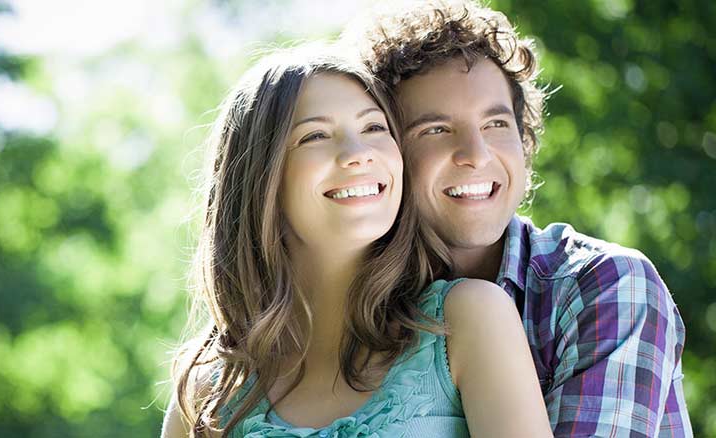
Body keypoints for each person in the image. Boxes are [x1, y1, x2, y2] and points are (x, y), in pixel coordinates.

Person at [160, 44, 552, 437]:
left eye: (373, 128)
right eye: (315, 135)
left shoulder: (467, 320)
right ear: (260, 179)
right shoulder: (207, 391)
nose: (358, 153)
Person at [342, 0, 692, 436]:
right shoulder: (357, 304)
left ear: (524, 141)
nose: (476, 154)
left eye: (496, 125)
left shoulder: (603, 286)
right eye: (435, 129)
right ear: (385, 154)